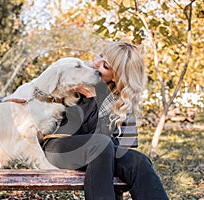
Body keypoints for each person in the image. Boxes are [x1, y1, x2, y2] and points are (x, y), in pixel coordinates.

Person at [42, 41, 169, 200]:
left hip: (101, 152)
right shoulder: (76, 74)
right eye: (100, 56)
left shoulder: (119, 98)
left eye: (105, 66)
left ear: (117, 77)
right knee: (101, 144)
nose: (96, 63)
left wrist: (96, 95)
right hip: (57, 147)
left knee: (139, 161)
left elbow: (117, 143)